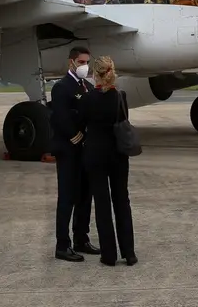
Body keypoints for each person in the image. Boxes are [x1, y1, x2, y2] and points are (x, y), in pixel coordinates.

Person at [80, 55, 137, 266]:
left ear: (95, 74)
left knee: (102, 205)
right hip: (118, 155)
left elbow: (81, 123)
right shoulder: (120, 97)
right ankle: (129, 252)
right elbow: (123, 121)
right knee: (122, 201)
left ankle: (109, 255)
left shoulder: (87, 99)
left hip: (95, 154)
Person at [49, 46, 99, 262]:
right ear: (71, 62)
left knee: (84, 196)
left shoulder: (86, 86)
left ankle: (81, 238)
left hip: (84, 151)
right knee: (67, 197)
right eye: (81, 62)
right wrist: (77, 136)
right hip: (69, 150)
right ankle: (62, 245)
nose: (84, 66)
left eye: (87, 62)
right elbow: (60, 118)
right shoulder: (61, 87)